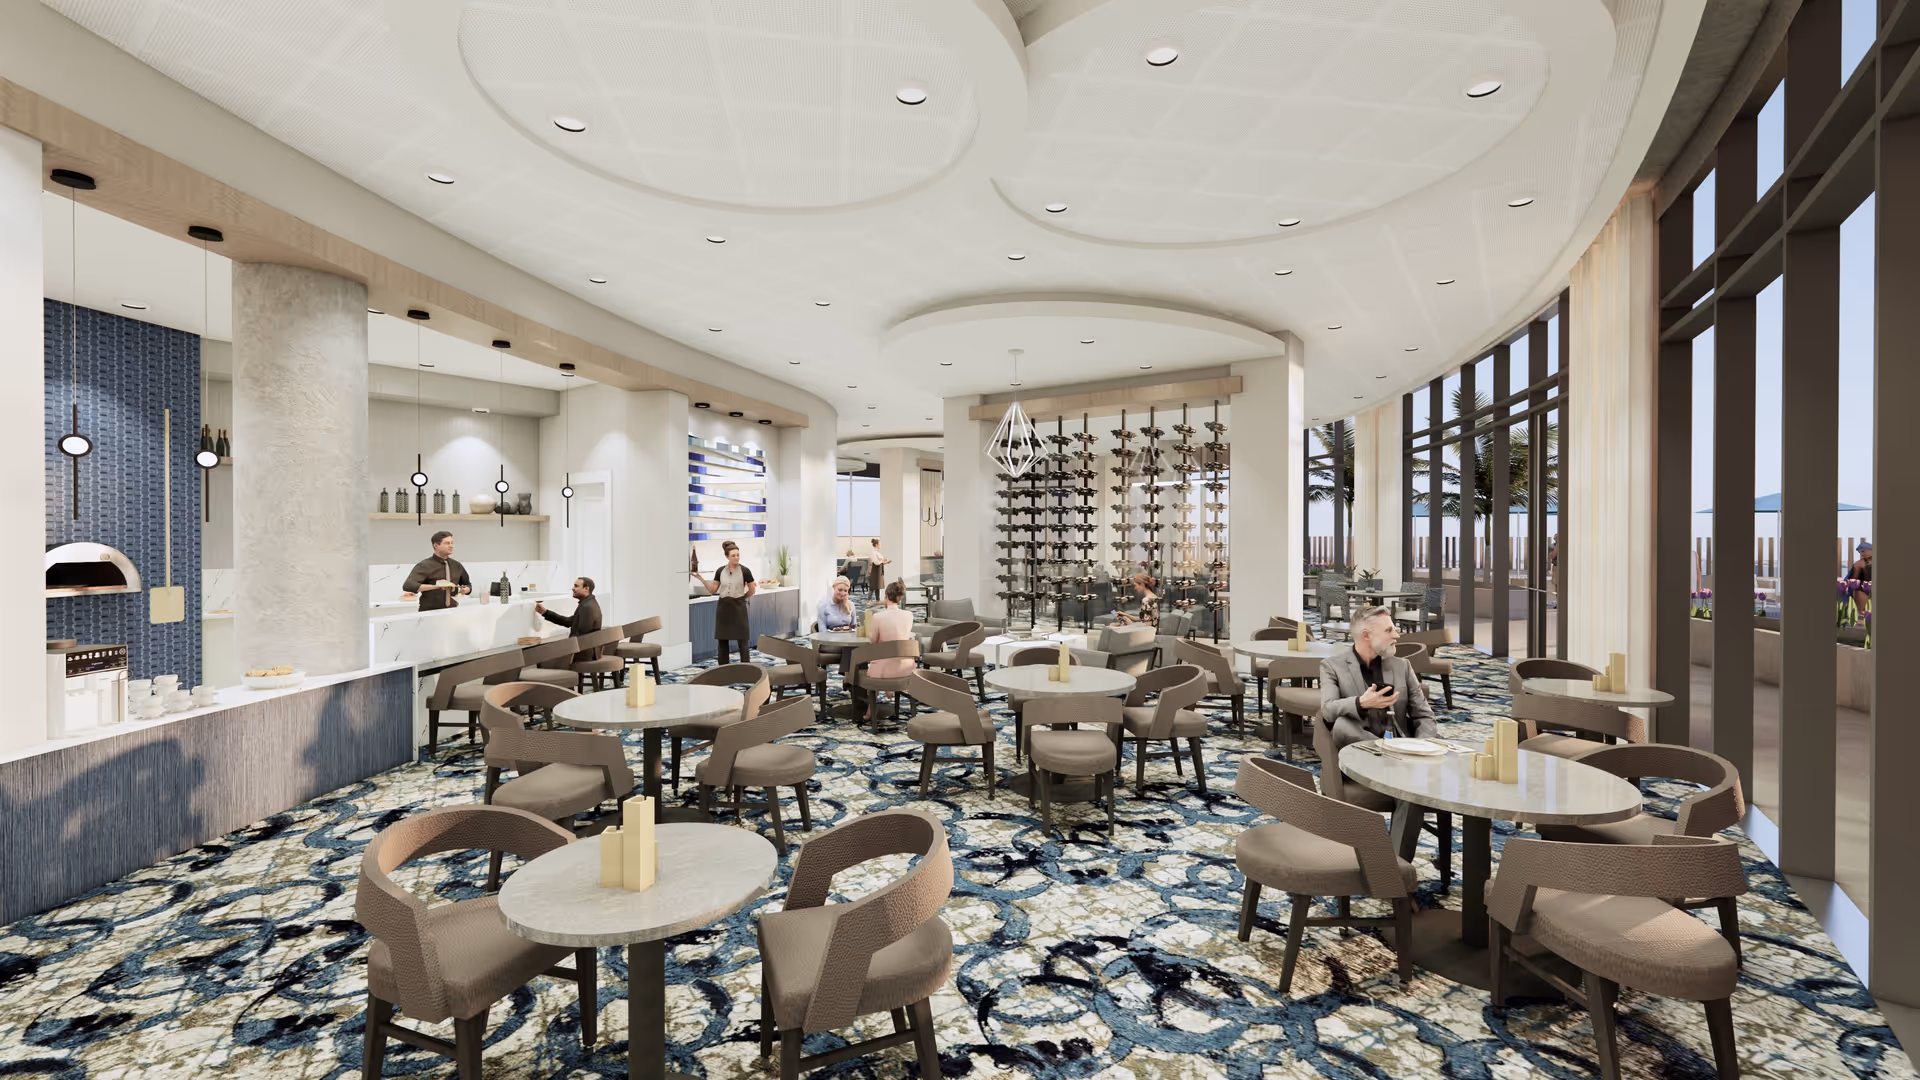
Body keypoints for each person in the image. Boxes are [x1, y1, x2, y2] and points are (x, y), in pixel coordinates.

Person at [1320, 606, 1438, 754]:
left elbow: (1424, 715)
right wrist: (1360, 703)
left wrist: (1421, 747)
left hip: (1403, 746)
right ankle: (1387, 755)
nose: (1397, 636)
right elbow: (1328, 710)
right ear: (1366, 635)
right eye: (1389, 630)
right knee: (1342, 726)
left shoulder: (1402, 666)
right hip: (1364, 747)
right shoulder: (1332, 666)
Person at [694, 540, 757, 663]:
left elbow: (752, 590)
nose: (736, 557)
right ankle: (723, 669)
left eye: (738, 555)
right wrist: (700, 578)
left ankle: (746, 668)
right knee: (722, 641)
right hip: (723, 607)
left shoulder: (745, 571)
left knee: (742, 640)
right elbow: (713, 590)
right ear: (727, 556)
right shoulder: (720, 571)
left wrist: (742, 598)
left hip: (739, 607)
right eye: (733, 555)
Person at [864, 580, 915, 721]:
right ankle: (889, 691)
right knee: (885, 657)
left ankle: (870, 712)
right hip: (906, 667)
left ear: (886, 595)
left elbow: (873, 641)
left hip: (883, 669)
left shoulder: (878, 617)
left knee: (872, 660)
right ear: (901, 597)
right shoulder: (909, 615)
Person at [535, 577, 604, 660]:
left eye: (576, 586)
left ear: (586, 588)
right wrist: (545, 612)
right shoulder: (588, 603)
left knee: (541, 653)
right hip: (587, 651)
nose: (572, 588)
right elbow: (568, 622)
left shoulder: (587, 607)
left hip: (584, 654)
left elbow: (580, 637)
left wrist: (561, 647)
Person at [403, 531, 471, 611]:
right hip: (430, 613)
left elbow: (468, 584)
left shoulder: (457, 565)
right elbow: (408, 585)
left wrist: (466, 589)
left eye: (452, 543)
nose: (451, 546)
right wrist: (437, 587)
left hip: (452, 611)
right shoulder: (425, 565)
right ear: (436, 545)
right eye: (447, 543)